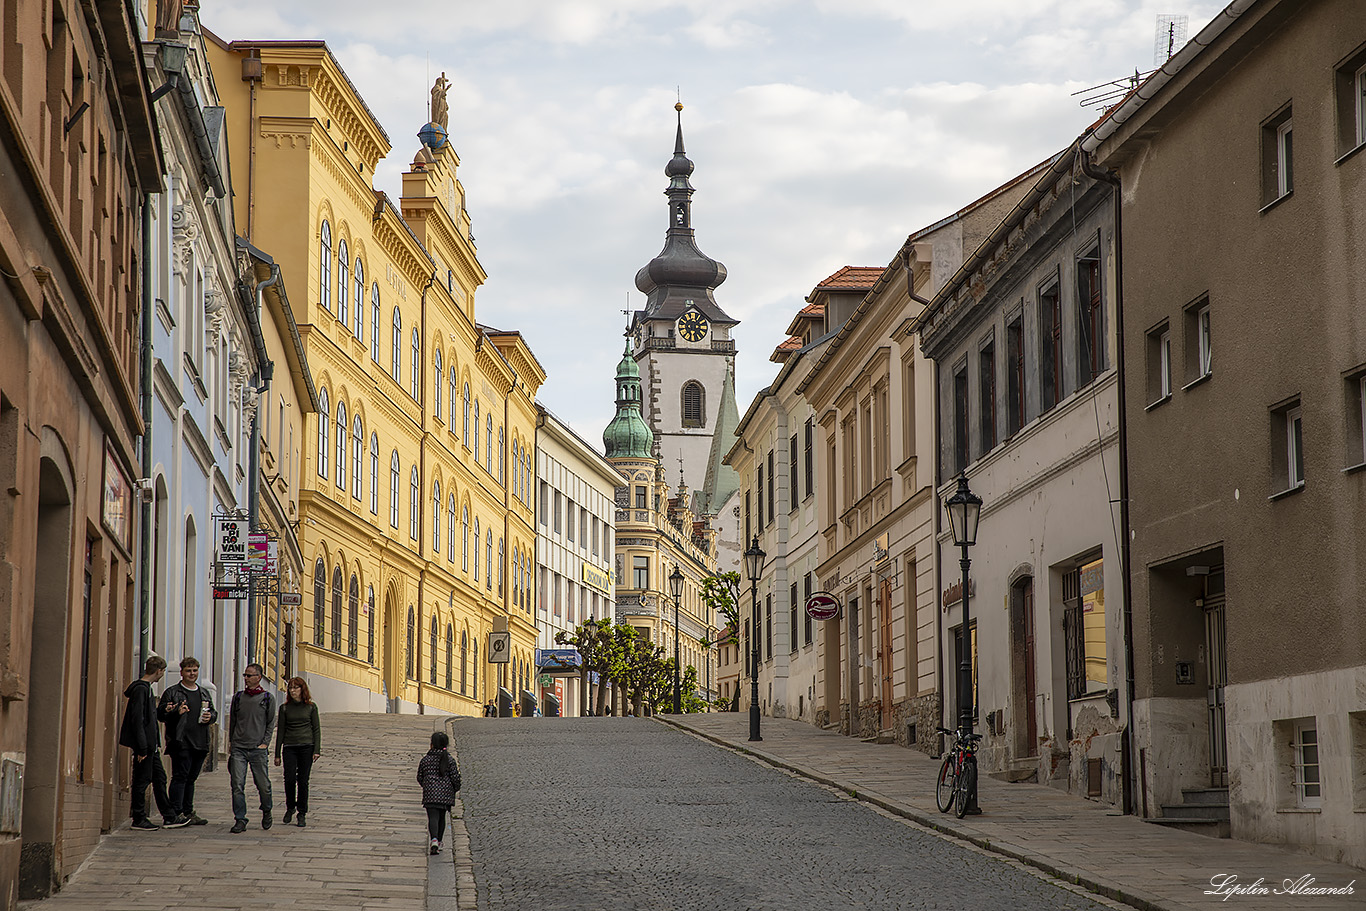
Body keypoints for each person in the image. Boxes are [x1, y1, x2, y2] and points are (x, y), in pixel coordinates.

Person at [119, 655, 187, 830]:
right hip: (146, 746)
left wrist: (165, 710)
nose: (162, 675)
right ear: (159, 671)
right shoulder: (141, 689)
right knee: (142, 780)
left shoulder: (146, 689)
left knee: (160, 778)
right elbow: (138, 720)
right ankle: (138, 818)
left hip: (151, 745)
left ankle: (169, 816)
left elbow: (148, 716)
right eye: (162, 672)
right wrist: (142, 748)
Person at [157, 656, 216, 826]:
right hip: (181, 741)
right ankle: (175, 812)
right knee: (180, 777)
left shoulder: (203, 692)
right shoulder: (172, 692)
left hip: (200, 742)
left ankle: (188, 811)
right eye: (188, 670)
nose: (192, 674)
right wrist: (176, 712)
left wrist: (210, 717)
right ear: (182, 672)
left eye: (195, 670)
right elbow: (161, 714)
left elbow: (213, 712)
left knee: (191, 779)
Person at [227, 663, 275, 833]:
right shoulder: (238, 697)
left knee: (263, 785)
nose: (246, 679)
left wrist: (265, 743)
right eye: (245, 675)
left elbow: (270, 723)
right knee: (237, 784)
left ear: (258, 677)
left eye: (249, 675)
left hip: (257, 748)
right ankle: (240, 818)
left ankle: (267, 809)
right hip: (239, 747)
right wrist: (231, 743)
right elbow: (233, 720)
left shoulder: (267, 698)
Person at [274, 676, 321, 828]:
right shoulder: (285, 708)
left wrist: (317, 749)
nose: (293, 691)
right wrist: (276, 753)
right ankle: (290, 807)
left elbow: (316, 729)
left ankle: (302, 812)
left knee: (303, 780)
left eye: (296, 688)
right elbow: (281, 730)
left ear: (302, 689)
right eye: (290, 688)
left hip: (306, 746)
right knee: (288, 779)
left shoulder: (311, 707)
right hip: (290, 747)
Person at [416, 730, 461, 855]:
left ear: (432, 744)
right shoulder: (449, 760)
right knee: (442, 817)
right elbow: (455, 778)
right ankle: (439, 841)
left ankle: (434, 840)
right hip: (445, 795)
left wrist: (426, 786)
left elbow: (420, 777)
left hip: (430, 794)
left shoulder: (425, 760)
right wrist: (455, 789)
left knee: (433, 818)